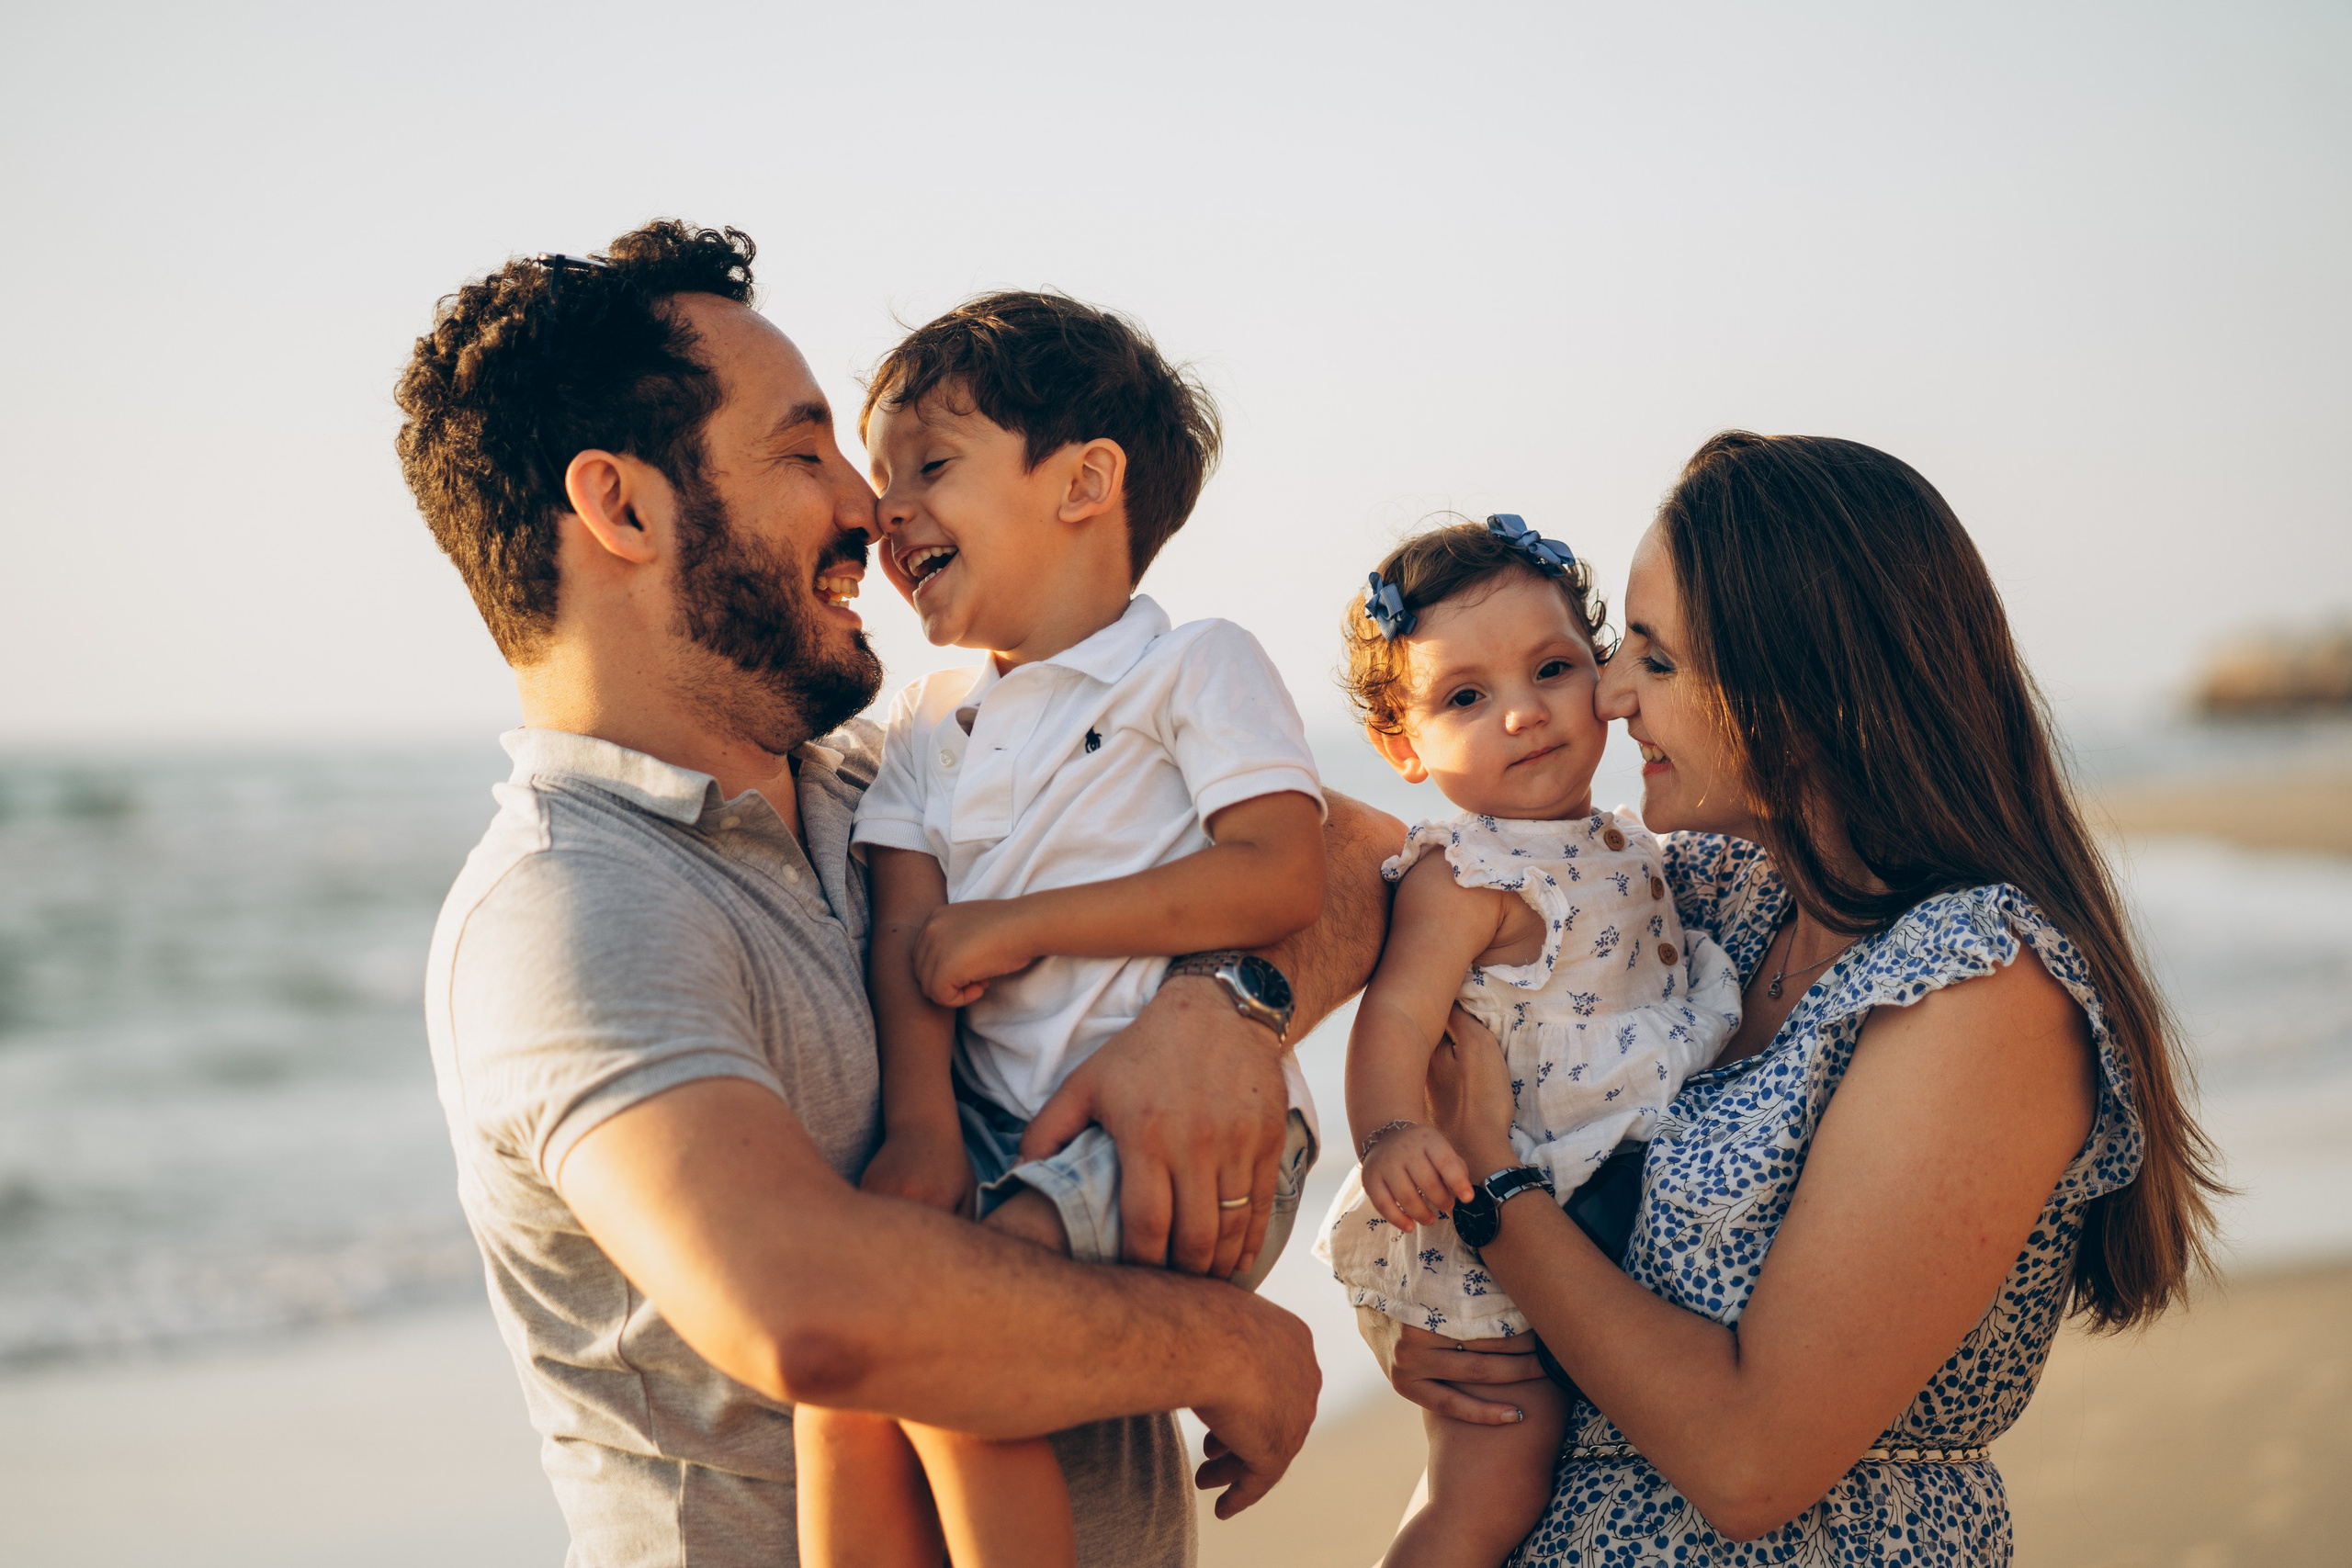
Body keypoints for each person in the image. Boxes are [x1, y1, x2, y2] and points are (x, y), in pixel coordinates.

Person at [392, 220, 1396, 1568]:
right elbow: (807, 1308)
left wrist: (1228, 1007)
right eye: (807, 453)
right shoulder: (565, 909)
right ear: (623, 507)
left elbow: (1354, 850)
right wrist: (1225, 1340)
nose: (870, 507)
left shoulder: (897, 768)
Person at [1381, 432, 2222, 1566]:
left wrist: (1491, 1192)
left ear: (1807, 691)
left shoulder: (1980, 985)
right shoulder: (1718, 900)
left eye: (1657, 659)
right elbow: (1376, 859)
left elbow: (1747, 1461)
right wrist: (1439, 1324)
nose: (1611, 695)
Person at [796, 291, 1330, 1567]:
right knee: (847, 1386)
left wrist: (1028, 922)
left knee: (959, 1355)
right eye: (883, 480)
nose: (886, 513)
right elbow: (909, 932)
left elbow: (1279, 872)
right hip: (991, 1133)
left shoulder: (1193, 666)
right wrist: (922, 1126)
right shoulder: (931, 716)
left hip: (1180, 1146)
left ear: (1087, 481)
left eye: (930, 466)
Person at [1311, 515, 1740, 1568]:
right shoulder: (1463, 875)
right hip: (1488, 1200)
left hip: (1592, 1173)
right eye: (1465, 697)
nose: (1522, 714)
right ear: (1400, 746)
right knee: (1493, 1477)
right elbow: (1400, 1020)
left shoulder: (1626, 839)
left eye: (1552, 668)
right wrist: (1395, 1133)